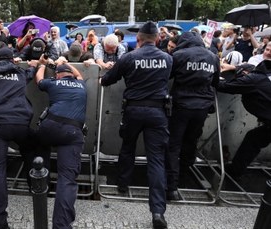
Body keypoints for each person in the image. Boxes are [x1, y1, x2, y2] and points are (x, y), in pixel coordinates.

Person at [100, 21, 172, 229]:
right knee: (156, 160)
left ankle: (123, 184)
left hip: (133, 110)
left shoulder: (130, 57)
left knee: (128, 147)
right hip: (158, 112)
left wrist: (102, 81)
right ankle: (158, 212)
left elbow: (109, 79)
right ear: (158, 39)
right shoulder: (167, 58)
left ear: (138, 40)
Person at [0, 47, 38, 229]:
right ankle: (35, 185)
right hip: (21, 123)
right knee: (31, 153)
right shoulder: (20, 73)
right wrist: (34, 64)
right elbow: (32, 70)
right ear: (13, 60)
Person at [165, 32, 220, 201]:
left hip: (182, 105)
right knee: (191, 141)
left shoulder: (179, 55)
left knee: (173, 144)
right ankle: (185, 175)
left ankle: (171, 187)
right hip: (202, 107)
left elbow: (168, 75)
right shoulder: (212, 56)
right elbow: (215, 82)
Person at [35, 61, 87, 229]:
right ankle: (61, 225)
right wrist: (65, 62)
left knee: (39, 149)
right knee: (67, 178)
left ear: (57, 75)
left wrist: (42, 65)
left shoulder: (53, 83)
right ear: (71, 75)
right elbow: (79, 74)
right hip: (72, 132)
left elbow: (39, 80)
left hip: (49, 128)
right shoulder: (80, 84)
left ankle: (40, 181)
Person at [217, 59, 271, 180]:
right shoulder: (263, 76)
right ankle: (236, 170)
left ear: (245, 73)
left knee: (253, 139)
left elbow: (224, 86)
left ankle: (235, 171)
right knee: (253, 138)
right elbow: (250, 68)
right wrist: (234, 68)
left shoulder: (252, 80)